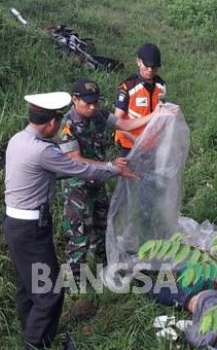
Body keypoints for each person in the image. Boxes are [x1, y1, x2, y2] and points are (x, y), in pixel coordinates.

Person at [3, 91, 135, 349]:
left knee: (26, 283)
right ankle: (34, 343)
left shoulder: (18, 140)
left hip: (14, 224)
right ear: (51, 123)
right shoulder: (42, 150)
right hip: (31, 228)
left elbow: (50, 173)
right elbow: (79, 169)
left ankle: (33, 330)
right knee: (50, 289)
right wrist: (112, 167)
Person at [57, 78, 163, 286]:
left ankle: (107, 264)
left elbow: (125, 124)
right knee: (79, 232)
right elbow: (75, 160)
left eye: (96, 102)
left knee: (104, 224)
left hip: (98, 182)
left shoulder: (98, 116)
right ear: (75, 99)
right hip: (78, 188)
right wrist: (111, 166)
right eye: (88, 103)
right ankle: (76, 280)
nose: (93, 107)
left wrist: (156, 114)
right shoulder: (66, 126)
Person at [114, 43, 166, 157]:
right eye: (146, 66)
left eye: (154, 67)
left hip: (152, 145)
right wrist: (135, 140)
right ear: (138, 61)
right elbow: (117, 122)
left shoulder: (161, 85)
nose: (150, 70)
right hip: (129, 145)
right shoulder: (127, 87)